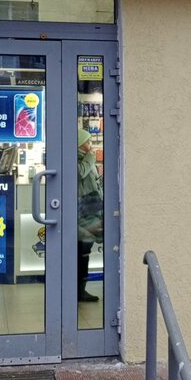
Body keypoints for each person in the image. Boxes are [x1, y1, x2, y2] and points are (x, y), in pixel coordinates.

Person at [77, 127, 103, 303]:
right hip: (84, 214)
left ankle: (81, 289)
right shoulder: (79, 160)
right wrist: (90, 158)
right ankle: (79, 290)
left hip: (91, 211)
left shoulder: (86, 159)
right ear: (79, 143)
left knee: (85, 251)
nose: (90, 145)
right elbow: (80, 173)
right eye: (87, 141)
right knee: (82, 252)